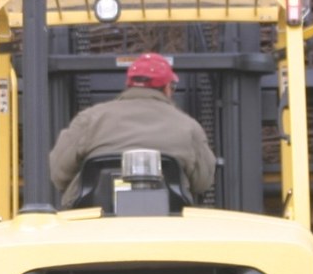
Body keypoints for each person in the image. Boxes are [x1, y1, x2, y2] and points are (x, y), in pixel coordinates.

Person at [49, 53, 216, 205]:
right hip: (168, 223)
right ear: (167, 88)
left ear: (129, 84)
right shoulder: (188, 126)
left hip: (92, 222)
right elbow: (203, 182)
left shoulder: (89, 119)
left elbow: (59, 174)